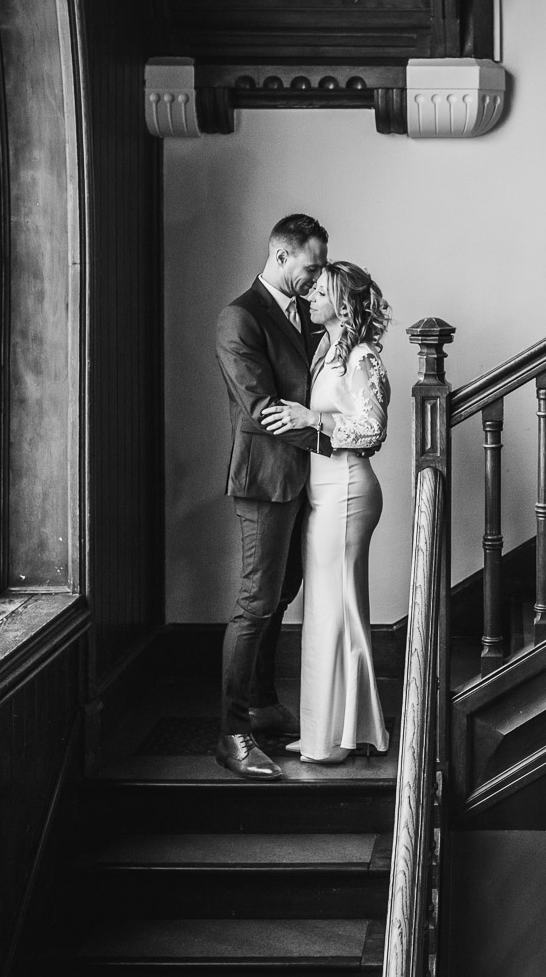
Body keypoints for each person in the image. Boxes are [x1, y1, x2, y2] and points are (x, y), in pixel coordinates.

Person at [258, 261, 392, 764]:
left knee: (338, 611)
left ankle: (338, 738)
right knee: (323, 610)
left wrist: (312, 417)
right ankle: (325, 729)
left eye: (322, 289)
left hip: (348, 491)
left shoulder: (362, 357)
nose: (311, 294)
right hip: (323, 491)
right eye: (312, 287)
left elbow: (372, 431)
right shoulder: (324, 350)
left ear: (346, 301)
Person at [213, 213, 331, 781]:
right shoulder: (240, 317)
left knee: (283, 591)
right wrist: (336, 435)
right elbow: (263, 410)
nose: (316, 279)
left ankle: (261, 703)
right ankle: (232, 733)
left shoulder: (303, 314)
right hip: (263, 479)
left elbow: (307, 391)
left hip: (302, 478)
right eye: (310, 268)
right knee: (254, 603)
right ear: (280, 255)